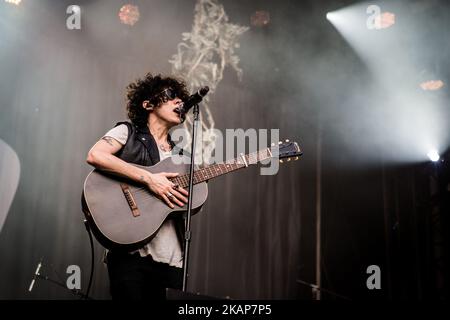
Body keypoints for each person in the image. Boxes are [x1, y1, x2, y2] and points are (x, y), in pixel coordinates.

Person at [86, 73, 191, 300]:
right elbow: (96, 155)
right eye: (172, 95)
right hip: (130, 254)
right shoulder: (127, 132)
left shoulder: (182, 157)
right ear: (148, 104)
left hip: (172, 261)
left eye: (182, 98)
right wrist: (149, 179)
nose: (180, 102)